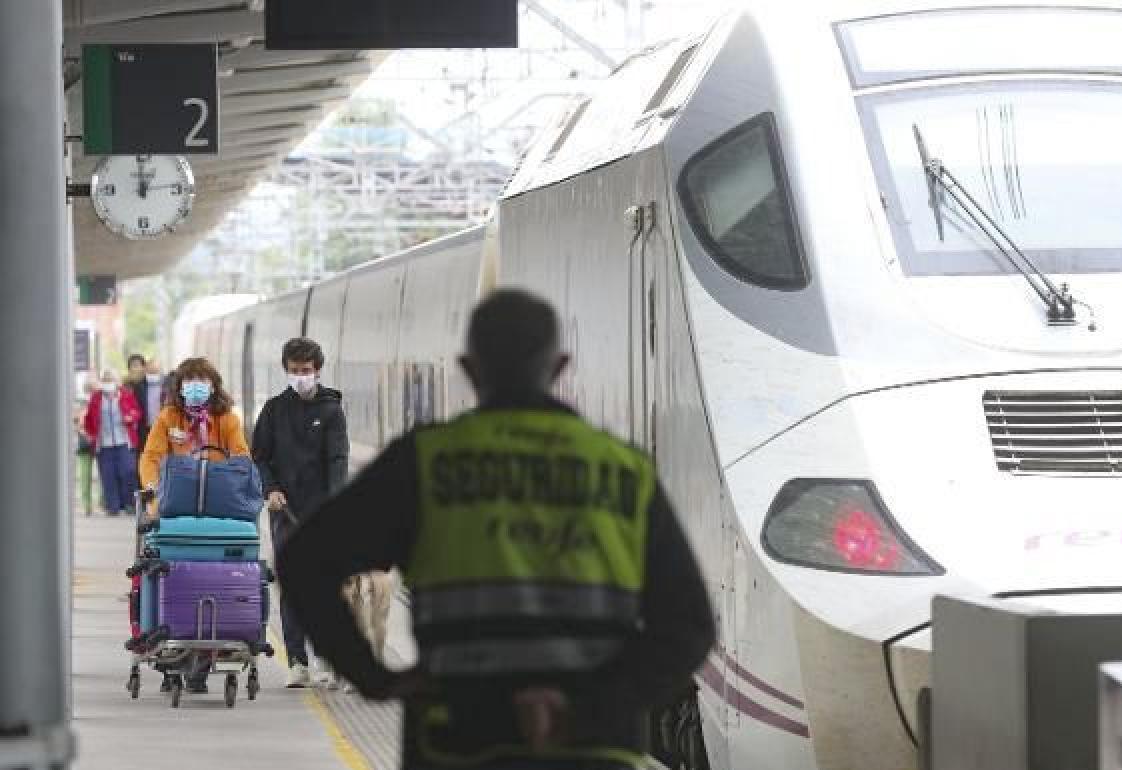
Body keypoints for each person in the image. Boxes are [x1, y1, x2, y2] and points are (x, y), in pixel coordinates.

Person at [278, 289, 715, 770]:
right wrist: (596, 704)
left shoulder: (424, 462)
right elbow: (689, 628)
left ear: (469, 369)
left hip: (459, 739)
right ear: (559, 366)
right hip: (592, 746)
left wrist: (371, 677)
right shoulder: (625, 471)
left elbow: (303, 561)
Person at [139, 357, 250, 694]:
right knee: (163, 570)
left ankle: (200, 659)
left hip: (216, 512)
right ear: (179, 386)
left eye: (202, 380)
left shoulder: (227, 420)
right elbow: (151, 458)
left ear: (214, 385)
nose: (196, 386)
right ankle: (166, 650)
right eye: (190, 380)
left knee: (210, 577)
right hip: (173, 511)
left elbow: (241, 460)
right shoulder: (168, 418)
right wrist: (154, 498)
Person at [251, 337, 349, 689]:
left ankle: (326, 657)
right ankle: (296, 660)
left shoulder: (332, 411)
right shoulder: (275, 410)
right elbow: (259, 456)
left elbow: (338, 462)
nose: (301, 377)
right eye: (294, 371)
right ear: (286, 371)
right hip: (285, 511)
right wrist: (271, 489)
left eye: (306, 371)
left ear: (317, 370)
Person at [83, 369, 142, 516]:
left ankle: (129, 504)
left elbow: (137, 412)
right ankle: (113, 507)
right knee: (108, 476)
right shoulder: (96, 398)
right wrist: (90, 434)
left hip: (124, 441)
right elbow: (89, 418)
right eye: (106, 380)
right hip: (104, 444)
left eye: (111, 380)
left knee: (127, 472)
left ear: (117, 381)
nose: (109, 383)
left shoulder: (126, 395)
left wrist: (130, 417)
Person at [129, 357, 167, 450]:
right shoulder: (139, 387)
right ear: (146, 370)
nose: (153, 374)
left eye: (155, 371)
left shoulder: (167, 386)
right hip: (144, 428)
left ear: (160, 371)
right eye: (150, 371)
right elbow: (134, 407)